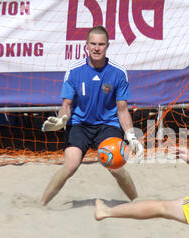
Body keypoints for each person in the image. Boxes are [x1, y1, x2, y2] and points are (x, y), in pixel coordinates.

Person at [40, 25, 143, 206]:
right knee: (70, 165)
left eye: (101, 44)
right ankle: (40, 204)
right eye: (93, 43)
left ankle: (138, 202)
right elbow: (66, 104)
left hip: (107, 125)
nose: (96, 48)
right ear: (86, 45)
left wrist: (131, 136)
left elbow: (122, 109)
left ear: (107, 46)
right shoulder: (74, 71)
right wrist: (61, 120)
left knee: (116, 168)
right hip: (79, 124)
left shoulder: (118, 72)